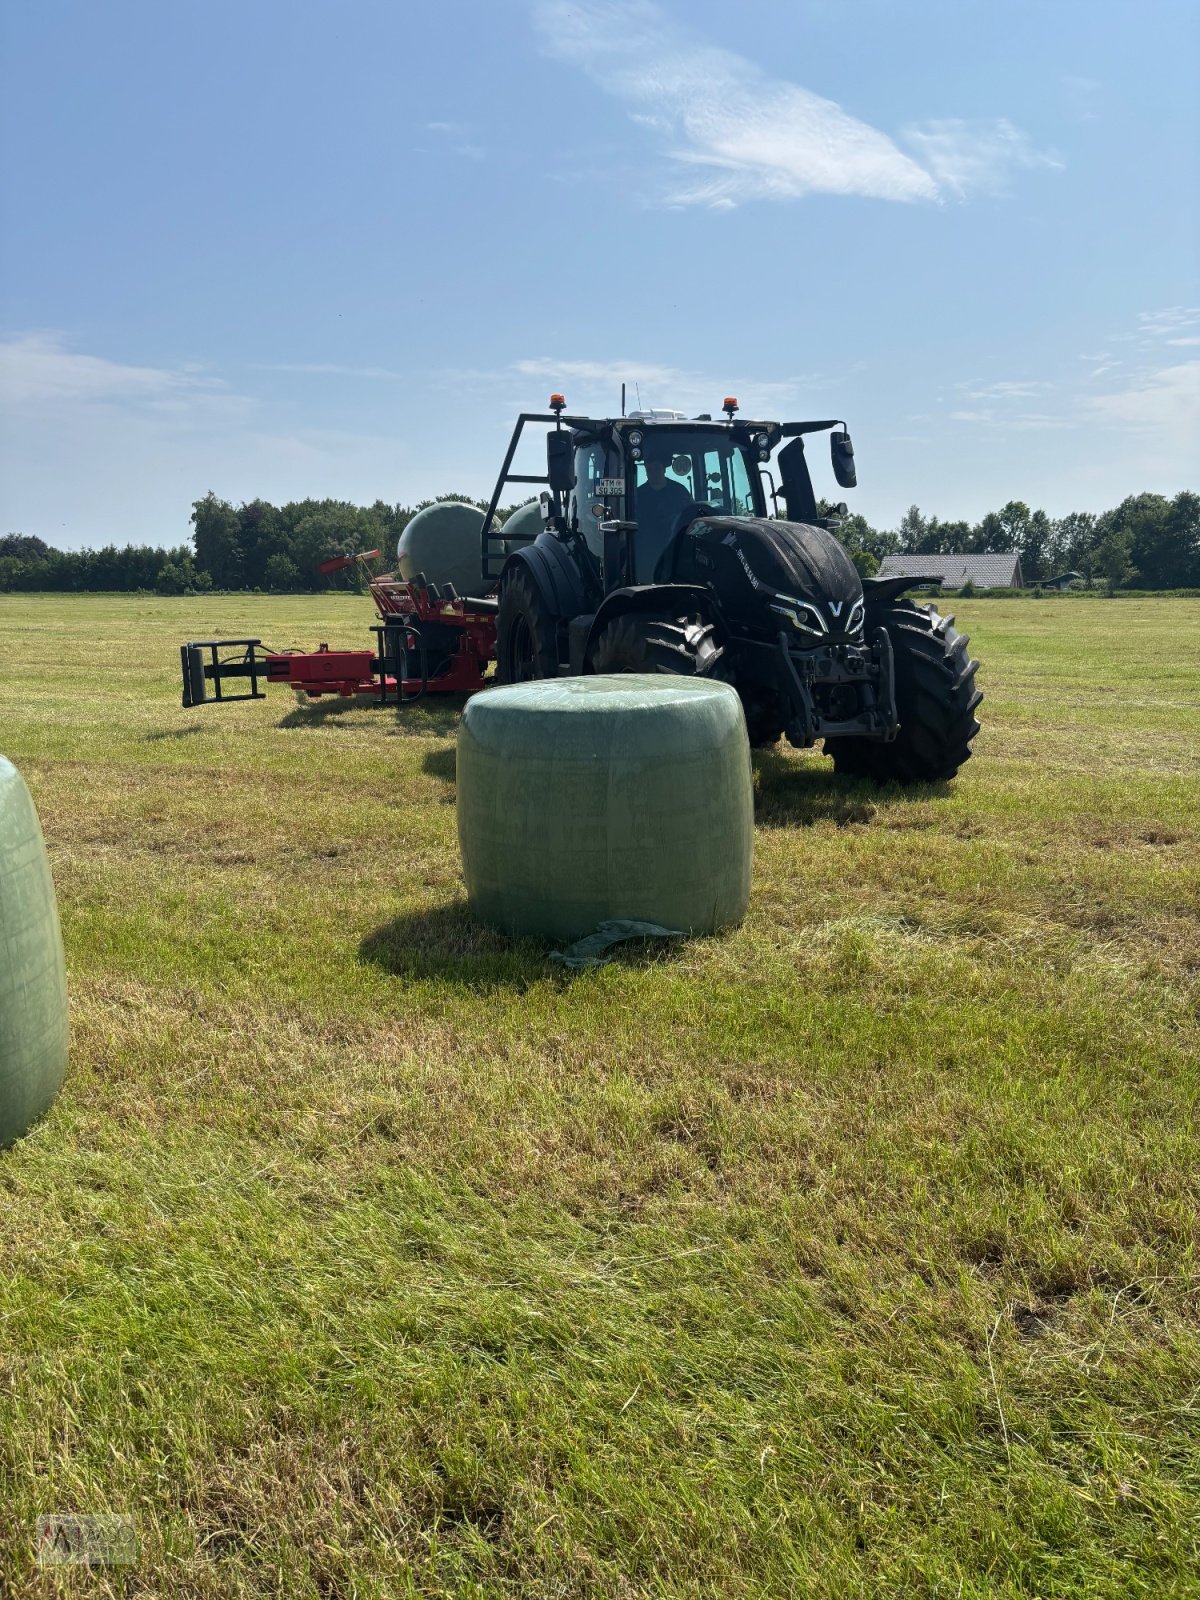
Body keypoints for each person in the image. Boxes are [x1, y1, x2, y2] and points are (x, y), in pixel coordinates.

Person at [633, 442, 694, 579]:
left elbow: (691, 516)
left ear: (664, 469)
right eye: (649, 470)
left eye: (656, 469)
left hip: (674, 546)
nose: (653, 473)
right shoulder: (638, 495)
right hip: (646, 549)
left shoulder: (680, 492)